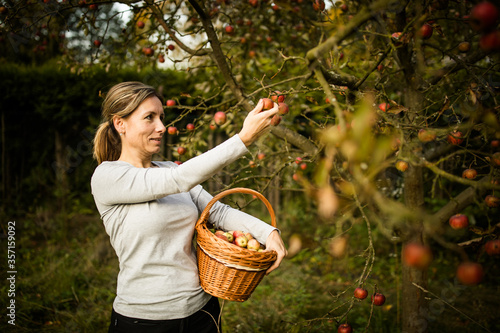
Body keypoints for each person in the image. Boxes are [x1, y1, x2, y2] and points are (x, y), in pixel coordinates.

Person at [90, 81, 287, 333]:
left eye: (161, 117)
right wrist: (243, 139)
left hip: (202, 312)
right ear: (120, 124)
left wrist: (269, 232)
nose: (161, 127)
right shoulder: (108, 176)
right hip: (143, 321)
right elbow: (179, 180)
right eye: (149, 118)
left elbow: (218, 212)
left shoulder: (171, 169)